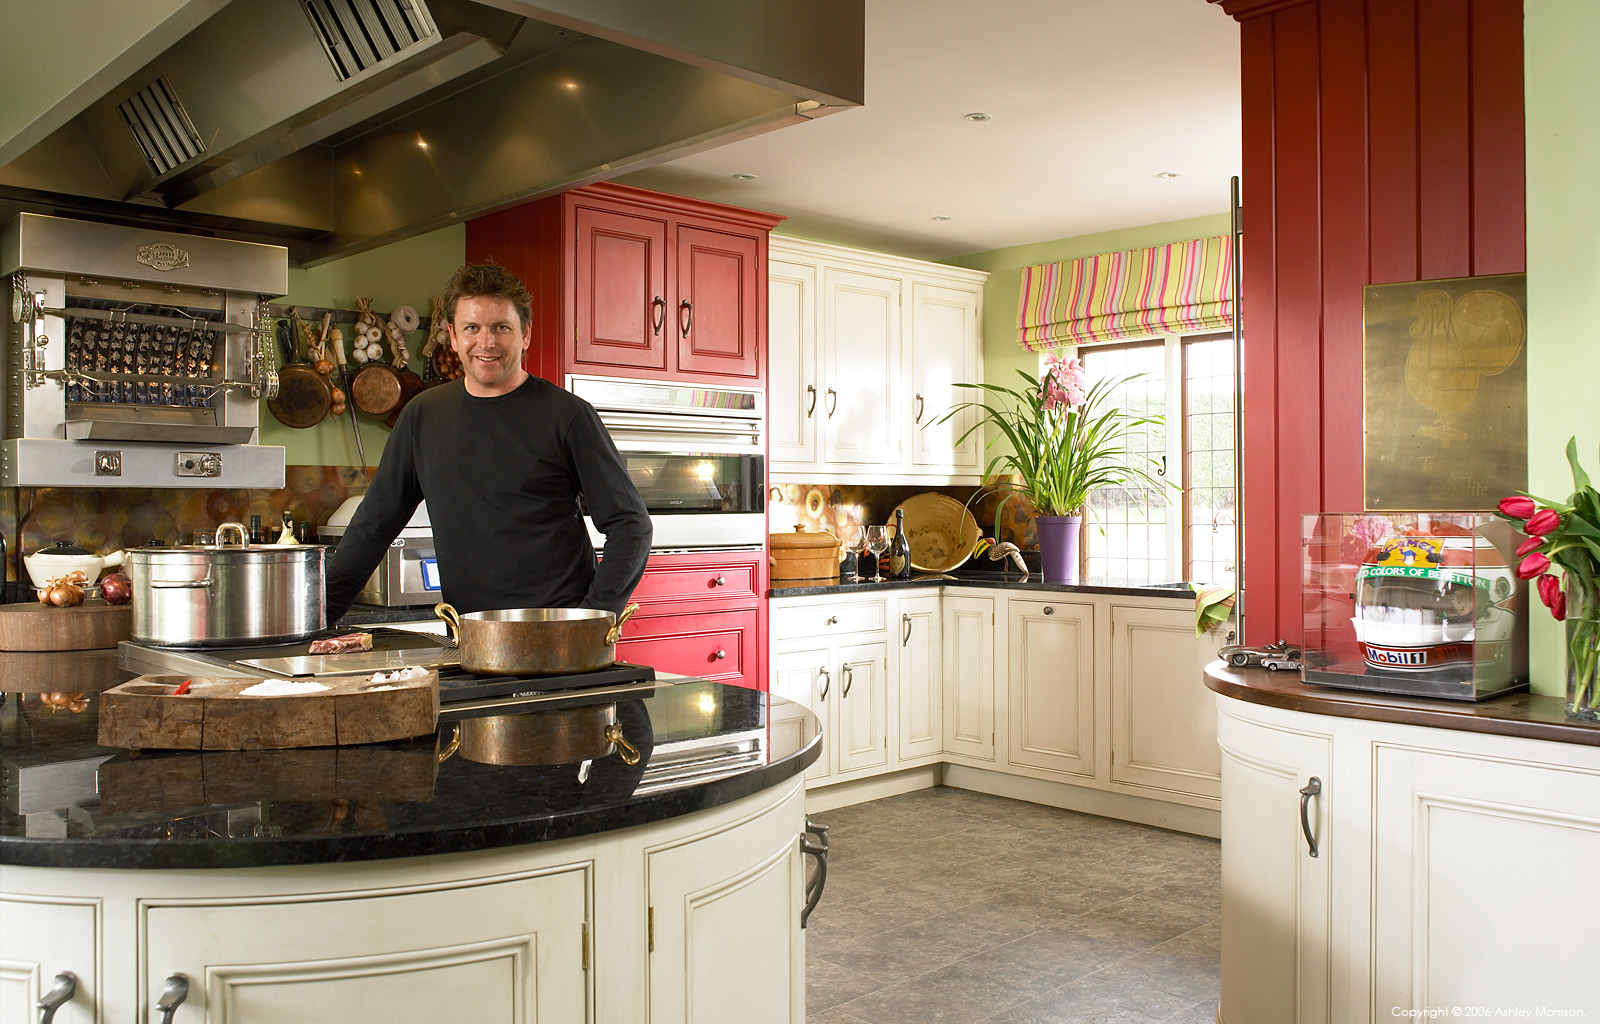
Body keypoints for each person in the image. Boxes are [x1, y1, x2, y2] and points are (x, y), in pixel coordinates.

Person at [324, 262, 651, 622]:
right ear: (452, 335)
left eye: (501, 328)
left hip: (560, 636)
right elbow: (373, 526)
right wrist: (315, 620)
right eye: (472, 328)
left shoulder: (569, 417)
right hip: (470, 639)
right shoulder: (422, 416)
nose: (486, 342)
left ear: (525, 334)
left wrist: (593, 618)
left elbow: (630, 524)